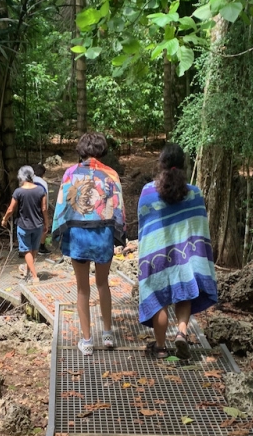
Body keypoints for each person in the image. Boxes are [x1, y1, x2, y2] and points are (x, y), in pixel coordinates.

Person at [137, 142, 217, 359]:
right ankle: (181, 333)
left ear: (161, 164)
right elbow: (199, 228)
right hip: (186, 255)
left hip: (156, 257)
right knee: (184, 294)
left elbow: (144, 227)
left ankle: (161, 347)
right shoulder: (195, 194)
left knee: (159, 298)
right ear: (183, 165)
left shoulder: (147, 191)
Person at [52, 132, 126, 355]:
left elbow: (61, 205)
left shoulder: (70, 173)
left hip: (78, 234)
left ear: (81, 151)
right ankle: (107, 333)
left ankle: (86, 340)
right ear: (102, 150)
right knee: (103, 283)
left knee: (82, 288)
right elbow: (119, 207)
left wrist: (57, 231)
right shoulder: (111, 173)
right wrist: (119, 233)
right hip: (102, 234)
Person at [1, 165, 49, 283]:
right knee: (34, 250)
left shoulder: (19, 192)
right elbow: (44, 208)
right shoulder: (40, 190)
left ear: (21, 177)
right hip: (38, 224)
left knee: (27, 250)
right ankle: (27, 272)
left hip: (23, 225)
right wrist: (46, 223)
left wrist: (4, 219)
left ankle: (34, 276)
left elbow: (11, 209)